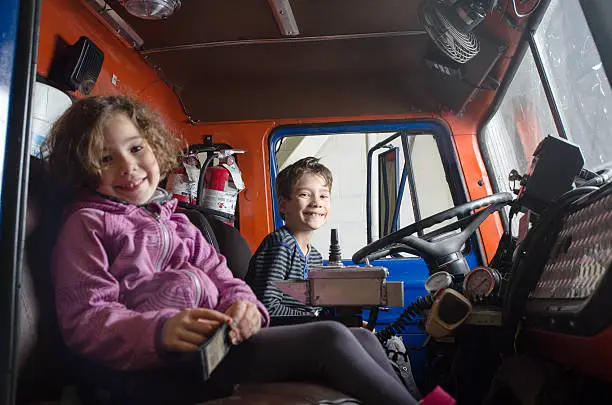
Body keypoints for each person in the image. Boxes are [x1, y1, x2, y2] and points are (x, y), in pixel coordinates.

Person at [44, 95, 418, 405]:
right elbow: (86, 319)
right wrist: (159, 331)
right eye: (106, 158)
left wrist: (246, 308)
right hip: (156, 366)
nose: (128, 166)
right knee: (330, 338)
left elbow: (225, 280)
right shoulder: (88, 225)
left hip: (216, 346)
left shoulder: (178, 222)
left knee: (365, 337)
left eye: (136, 148)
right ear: (85, 168)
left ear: (153, 146)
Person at [247, 157, 330, 317]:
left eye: (323, 196)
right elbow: (267, 308)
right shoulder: (280, 245)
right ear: (283, 205)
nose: (317, 203)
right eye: (305, 194)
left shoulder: (315, 256)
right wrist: (317, 321)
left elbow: (315, 308)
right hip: (279, 333)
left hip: (304, 329)